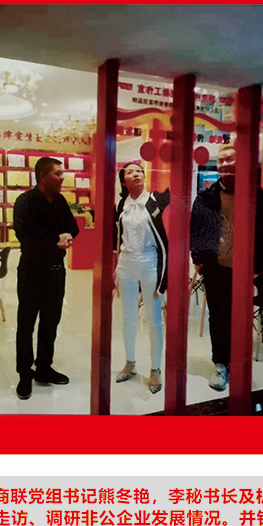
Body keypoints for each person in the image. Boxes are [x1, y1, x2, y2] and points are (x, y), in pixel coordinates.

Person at [190, 144, 263, 391]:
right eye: (222, 160)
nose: (225, 164)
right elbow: (197, 230)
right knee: (218, 316)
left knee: (242, 316)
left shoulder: (254, 194)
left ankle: (239, 363)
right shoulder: (207, 196)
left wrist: (259, 264)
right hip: (216, 267)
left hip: (244, 268)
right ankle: (220, 364)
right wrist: (199, 260)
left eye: (230, 159)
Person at [13, 157, 79, 400]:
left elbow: (73, 227)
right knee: (26, 324)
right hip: (31, 271)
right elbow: (25, 235)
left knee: (50, 322)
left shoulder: (60, 201)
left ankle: (43, 367)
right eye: (58, 173)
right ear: (43, 176)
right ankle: (24, 373)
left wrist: (67, 235)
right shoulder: (25, 201)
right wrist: (55, 241)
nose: (62, 178)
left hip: (55, 271)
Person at [113, 163, 170, 394]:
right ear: (123, 181)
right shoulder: (121, 205)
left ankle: (155, 368)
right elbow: (117, 237)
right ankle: (130, 362)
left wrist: (164, 278)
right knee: (128, 317)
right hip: (125, 263)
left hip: (150, 262)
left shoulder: (156, 201)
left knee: (155, 319)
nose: (136, 173)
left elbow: (166, 240)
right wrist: (114, 269)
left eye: (139, 170)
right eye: (130, 171)